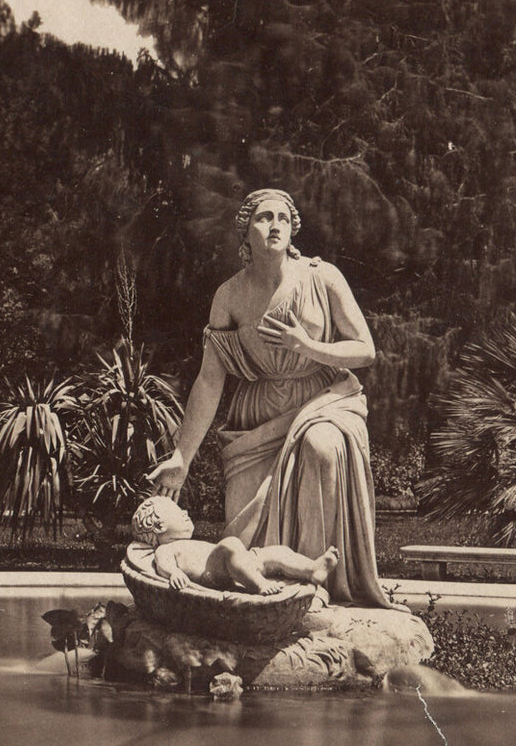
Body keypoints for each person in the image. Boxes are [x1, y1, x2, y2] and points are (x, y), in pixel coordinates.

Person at [146, 187, 402, 609]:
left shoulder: (323, 277)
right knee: (240, 543)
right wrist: (182, 456)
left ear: (293, 229)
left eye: (283, 218)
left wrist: (308, 347)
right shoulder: (229, 295)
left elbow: (365, 350)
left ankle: (315, 589)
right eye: (264, 218)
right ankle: (263, 597)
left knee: (322, 447)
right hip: (258, 411)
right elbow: (210, 379)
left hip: (323, 397)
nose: (275, 225)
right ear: (246, 231)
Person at [131, 495, 337, 595]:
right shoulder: (165, 549)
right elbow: (163, 564)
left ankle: (312, 569)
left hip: (238, 561)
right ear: (159, 526)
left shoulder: (186, 543)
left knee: (277, 551)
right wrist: (173, 574)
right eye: (178, 512)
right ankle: (260, 585)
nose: (185, 513)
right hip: (214, 572)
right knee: (230, 545)